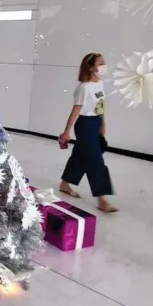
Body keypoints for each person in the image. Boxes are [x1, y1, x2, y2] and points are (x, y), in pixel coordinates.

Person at [59, 53, 118, 213]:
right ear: (91, 67)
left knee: (80, 155)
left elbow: (101, 105)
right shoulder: (83, 87)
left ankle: (65, 184)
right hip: (84, 125)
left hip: (95, 123)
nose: (104, 65)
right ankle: (102, 199)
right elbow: (76, 110)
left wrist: (102, 123)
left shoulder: (101, 84)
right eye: (100, 63)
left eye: (104, 62)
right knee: (96, 161)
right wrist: (66, 132)